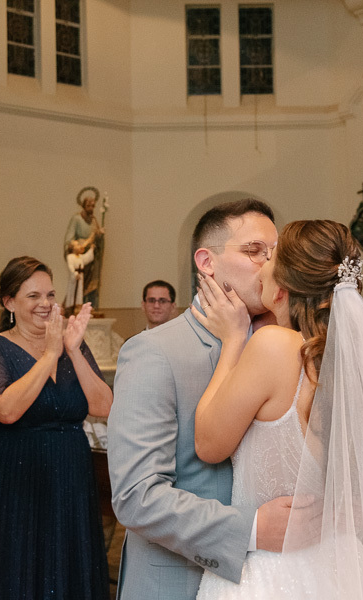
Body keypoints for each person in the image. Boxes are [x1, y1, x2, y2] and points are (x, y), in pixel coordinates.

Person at [191, 219, 363, 598]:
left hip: (271, 572)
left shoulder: (272, 346)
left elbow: (207, 443)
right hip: (345, 567)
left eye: (271, 256)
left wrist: (233, 341)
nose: (262, 263)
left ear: (282, 288)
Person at [108, 199, 292, 600]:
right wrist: (254, 529)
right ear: (207, 262)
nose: (270, 264)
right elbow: (137, 497)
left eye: (275, 253)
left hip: (274, 578)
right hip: (179, 581)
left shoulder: (284, 345)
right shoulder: (154, 351)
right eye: (253, 251)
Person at [0, 256, 113, 600]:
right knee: (16, 569)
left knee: (69, 563)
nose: (45, 304)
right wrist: (49, 354)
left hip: (71, 475)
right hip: (14, 478)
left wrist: (72, 351)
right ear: (9, 302)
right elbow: (7, 411)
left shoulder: (71, 345)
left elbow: (104, 407)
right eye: (33, 296)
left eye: (50, 295)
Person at [64, 188, 105, 309]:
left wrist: (99, 236)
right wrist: (78, 245)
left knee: (92, 283)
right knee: (78, 284)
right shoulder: (76, 219)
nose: (91, 208)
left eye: (93, 206)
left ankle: (90, 306)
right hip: (80, 257)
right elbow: (69, 240)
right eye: (88, 205)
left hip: (91, 258)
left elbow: (97, 240)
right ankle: (75, 306)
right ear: (83, 206)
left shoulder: (94, 220)